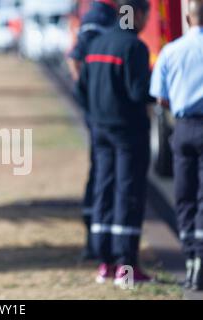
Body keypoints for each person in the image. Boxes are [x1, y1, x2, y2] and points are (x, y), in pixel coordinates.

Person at [76, 0, 152, 286]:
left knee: (104, 188)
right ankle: (127, 267)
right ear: (138, 15)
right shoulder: (134, 47)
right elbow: (138, 93)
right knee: (128, 192)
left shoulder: (96, 44)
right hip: (128, 132)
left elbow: (80, 88)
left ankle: (105, 264)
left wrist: (95, 115)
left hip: (100, 131)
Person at [150, 0, 203, 291]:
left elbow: (160, 97)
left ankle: (191, 257)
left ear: (187, 16)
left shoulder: (171, 51)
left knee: (184, 195)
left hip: (183, 128)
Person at [68, 0, 118, 261]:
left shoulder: (110, 12)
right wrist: (90, 97)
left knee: (103, 171)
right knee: (102, 172)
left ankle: (101, 239)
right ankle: (95, 241)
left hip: (101, 112)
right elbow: (75, 59)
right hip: (101, 114)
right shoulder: (99, 13)